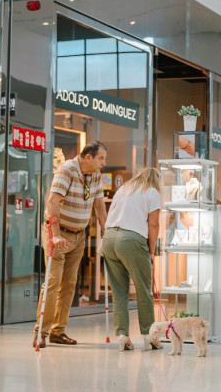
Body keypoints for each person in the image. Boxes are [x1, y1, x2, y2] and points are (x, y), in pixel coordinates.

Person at [33, 141, 107, 348]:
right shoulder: (67, 170)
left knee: (69, 285)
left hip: (78, 235)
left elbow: (100, 206)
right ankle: (41, 333)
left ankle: (58, 331)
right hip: (59, 234)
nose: (104, 163)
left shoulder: (95, 175)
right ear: (88, 157)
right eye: (101, 158)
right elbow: (52, 202)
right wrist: (55, 235)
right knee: (53, 283)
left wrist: (107, 232)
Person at [102, 167, 161, 352]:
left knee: (119, 291)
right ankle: (149, 337)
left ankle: (123, 336)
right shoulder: (152, 192)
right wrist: (151, 252)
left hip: (109, 239)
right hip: (131, 240)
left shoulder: (123, 190)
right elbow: (153, 224)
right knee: (144, 290)